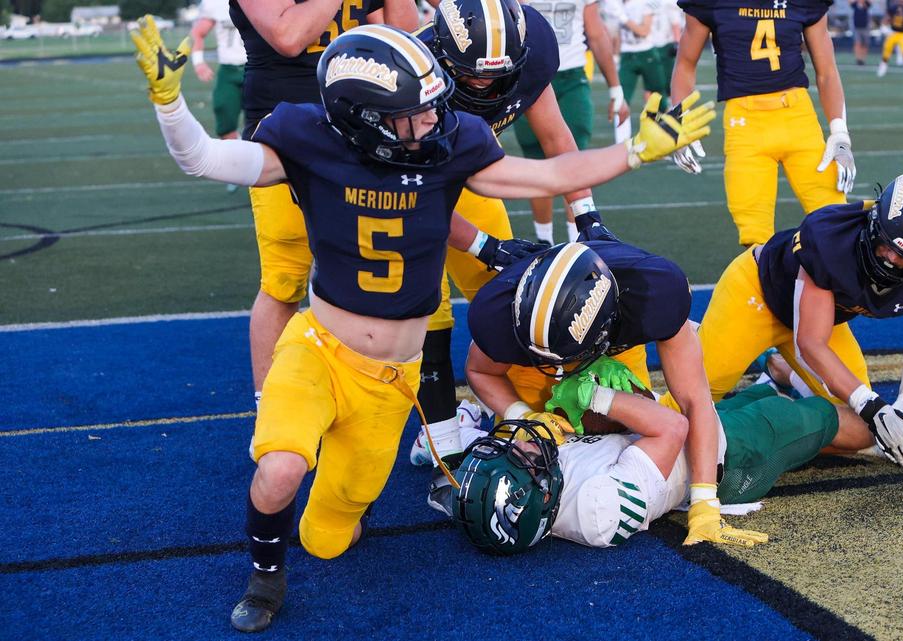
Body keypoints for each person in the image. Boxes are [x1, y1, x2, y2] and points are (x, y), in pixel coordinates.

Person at [130, 18, 712, 632]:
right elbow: (203, 158)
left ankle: (338, 503)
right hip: (319, 349)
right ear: (365, 119)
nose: (434, 121)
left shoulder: (449, 145)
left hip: (390, 382)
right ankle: (265, 576)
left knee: (329, 538)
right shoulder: (306, 141)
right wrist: (170, 104)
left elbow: (545, 175)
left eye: (434, 107)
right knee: (279, 469)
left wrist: (636, 152)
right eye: (415, 114)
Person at [432, 347, 903, 552]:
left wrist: (529, 423)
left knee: (753, 395)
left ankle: (783, 388)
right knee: (816, 421)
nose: (521, 444)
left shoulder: (520, 501)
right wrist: (595, 394)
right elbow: (671, 429)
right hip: (726, 463)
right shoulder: (596, 512)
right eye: (521, 458)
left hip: (692, 440)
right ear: (537, 500)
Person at [694, 169, 903, 473]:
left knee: (860, 429)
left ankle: (780, 378)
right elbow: (810, 342)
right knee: (690, 406)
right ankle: (766, 368)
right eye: (885, 244)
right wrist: (871, 404)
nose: (889, 258)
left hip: (821, 322)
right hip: (757, 297)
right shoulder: (831, 239)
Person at [410, 0, 633, 464]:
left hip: (473, 170)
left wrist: (588, 216)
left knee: (508, 297)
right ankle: (438, 434)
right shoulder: (417, 80)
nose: (484, 84)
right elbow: (424, 196)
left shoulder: (532, 54)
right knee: (422, 308)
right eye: (472, 74)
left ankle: (516, 409)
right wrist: (485, 245)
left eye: (497, 73)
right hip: (409, 187)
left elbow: (556, 139)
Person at [454, 234, 769, 547]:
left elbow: (693, 400)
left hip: (619, 355)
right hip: (535, 351)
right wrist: (525, 414)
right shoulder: (501, 313)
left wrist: (704, 502)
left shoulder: (654, 296)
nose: (559, 373)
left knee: (620, 419)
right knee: (524, 445)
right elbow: (479, 370)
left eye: (567, 360)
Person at [231, 0, 418, 414]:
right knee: (284, 278)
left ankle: (358, 391)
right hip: (283, 131)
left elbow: (401, 39)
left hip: (360, 129)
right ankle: (270, 408)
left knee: (368, 271)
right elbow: (288, 37)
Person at [671, 0, 855, 247]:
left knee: (835, 222)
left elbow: (827, 70)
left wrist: (840, 133)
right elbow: (685, 63)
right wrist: (680, 121)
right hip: (745, 125)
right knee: (755, 239)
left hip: (798, 118)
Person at [512, 0, 631, 245]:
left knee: (575, 162)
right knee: (535, 163)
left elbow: (596, 34)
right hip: (529, 74)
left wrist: (616, 89)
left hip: (571, 77)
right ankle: (543, 242)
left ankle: (579, 240)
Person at [189, 0, 246, 180]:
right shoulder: (214, 3)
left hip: (256, 66)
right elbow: (198, 32)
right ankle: (239, 168)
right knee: (224, 119)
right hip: (228, 69)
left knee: (264, 120)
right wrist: (198, 63)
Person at [878, 0, 903, 76]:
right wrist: (884, 26)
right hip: (893, 32)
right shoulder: (893, 8)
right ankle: (883, 67)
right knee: (887, 50)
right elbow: (887, 18)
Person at [850, 0, 872, 66]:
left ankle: (863, 59)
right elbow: (849, 2)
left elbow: (870, 3)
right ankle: (858, 59)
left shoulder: (866, 4)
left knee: (865, 44)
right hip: (856, 27)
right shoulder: (855, 4)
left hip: (865, 27)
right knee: (857, 43)